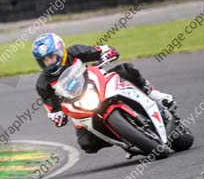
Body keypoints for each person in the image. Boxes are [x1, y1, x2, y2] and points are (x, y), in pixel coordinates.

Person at [32, 32, 174, 154]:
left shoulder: (75, 52)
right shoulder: (43, 84)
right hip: (78, 106)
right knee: (87, 144)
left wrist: (107, 52)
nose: (49, 62)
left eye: (51, 56)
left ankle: (156, 96)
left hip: (97, 84)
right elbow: (51, 108)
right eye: (44, 60)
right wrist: (56, 115)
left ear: (61, 51)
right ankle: (125, 140)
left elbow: (101, 50)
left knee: (126, 70)